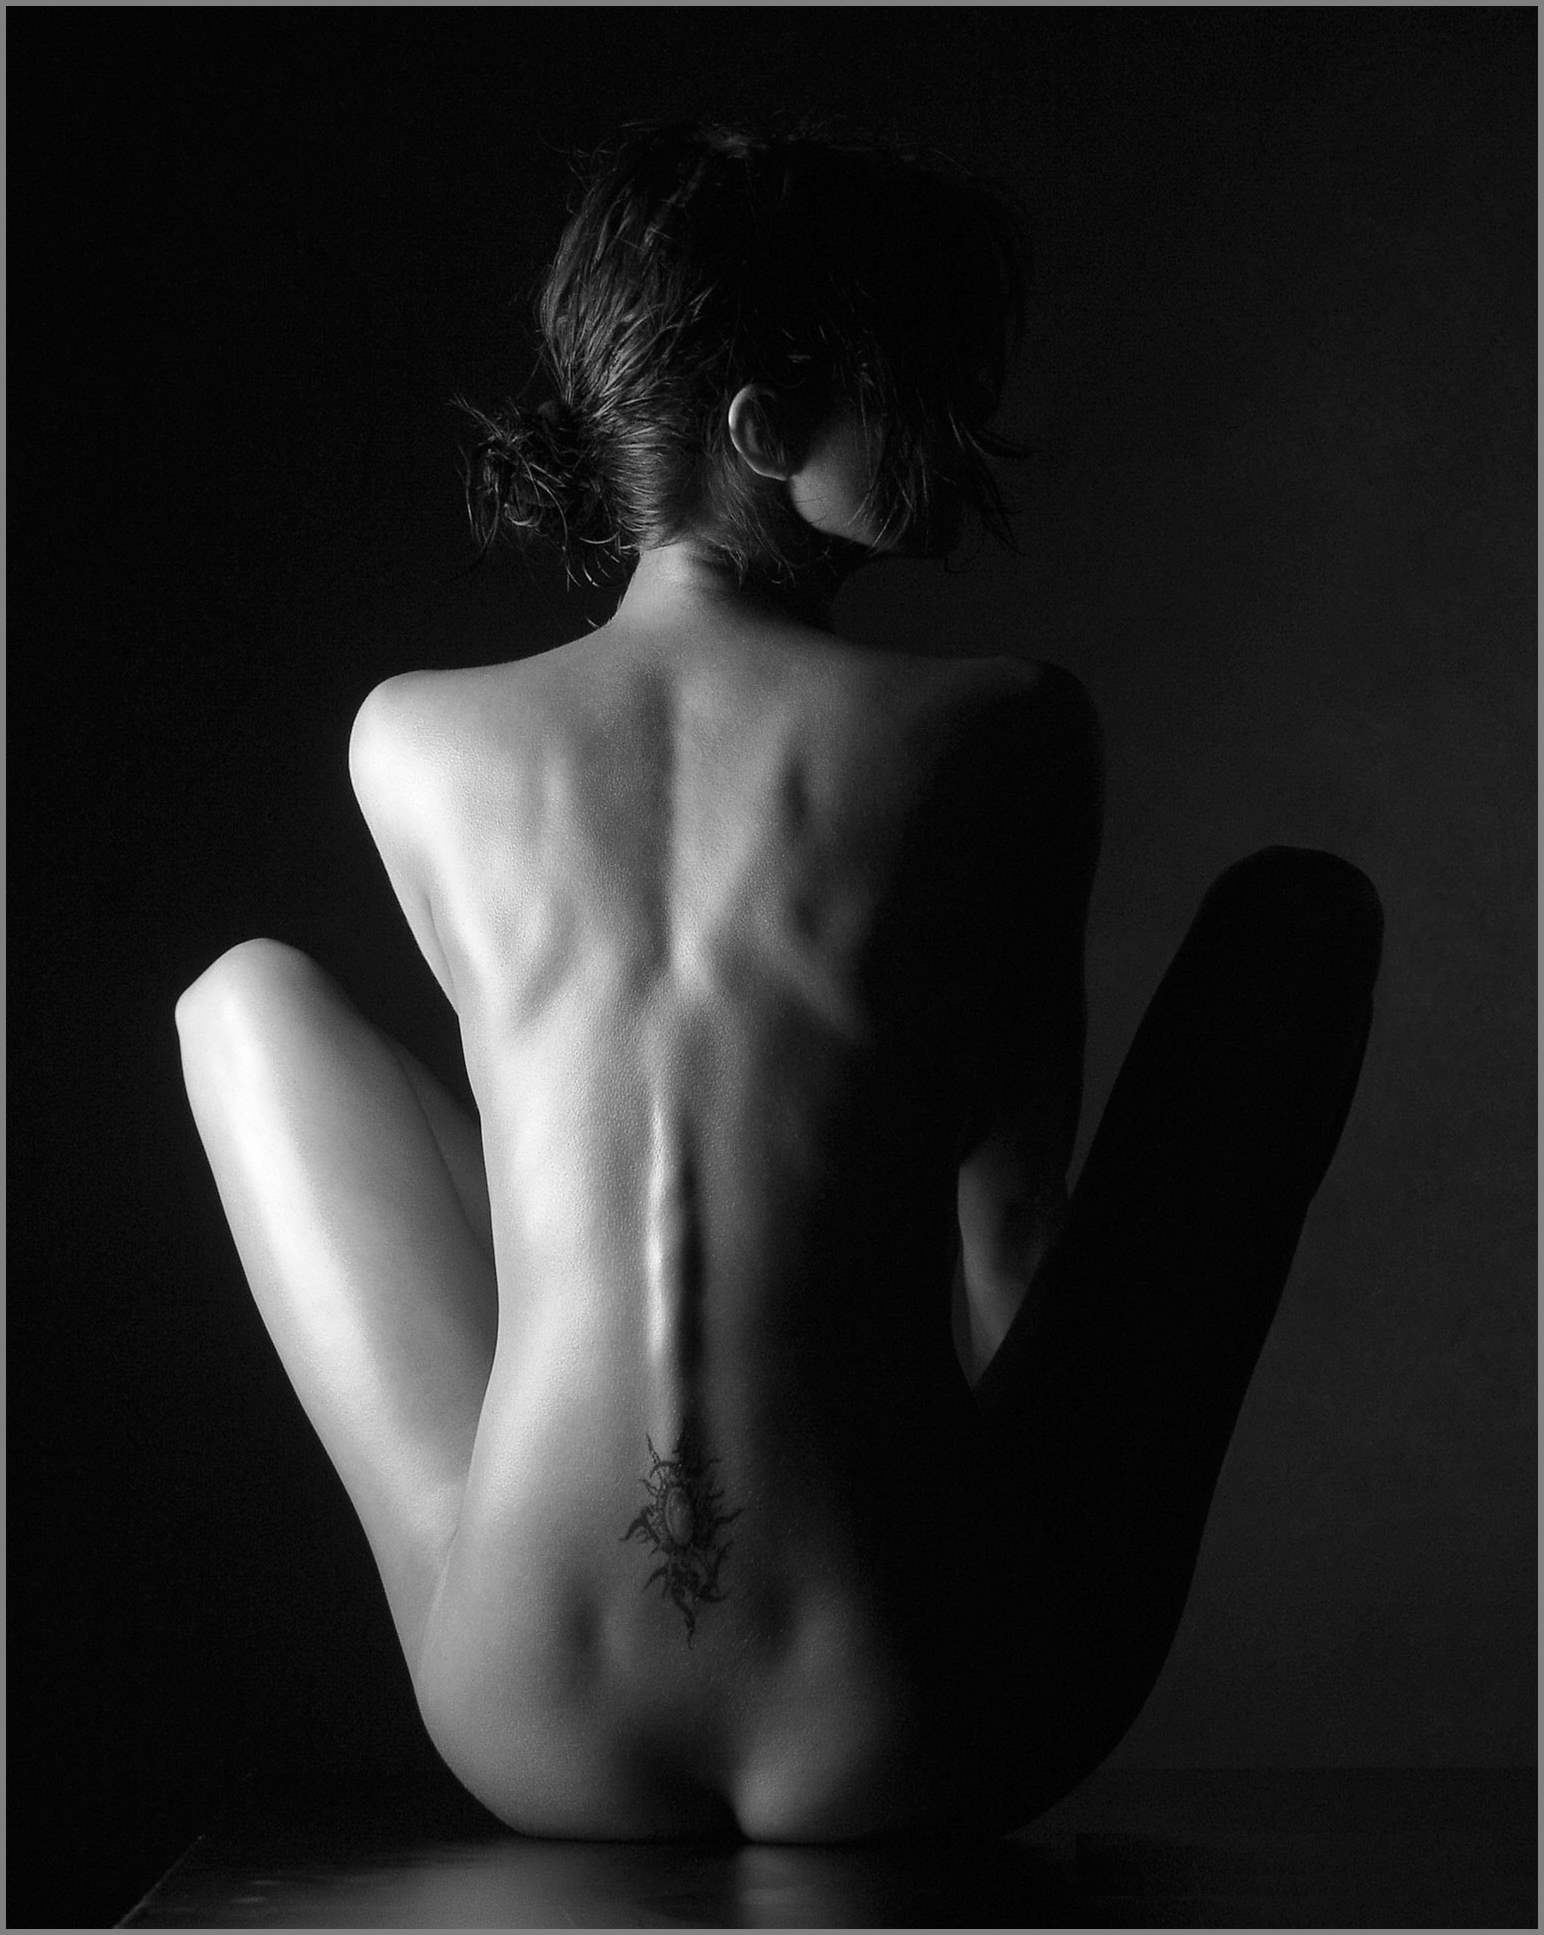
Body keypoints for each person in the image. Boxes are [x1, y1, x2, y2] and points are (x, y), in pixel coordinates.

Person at [175, 121, 1382, 1842]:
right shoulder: (1002, 730)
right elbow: (1012, 1232)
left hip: (520, 1701)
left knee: (242, 1003)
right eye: (918, 381)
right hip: (911, 1702)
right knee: (1302, 920)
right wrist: (973, 1542)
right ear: (759, 425)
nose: (959, 423)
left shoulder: (410, 741)